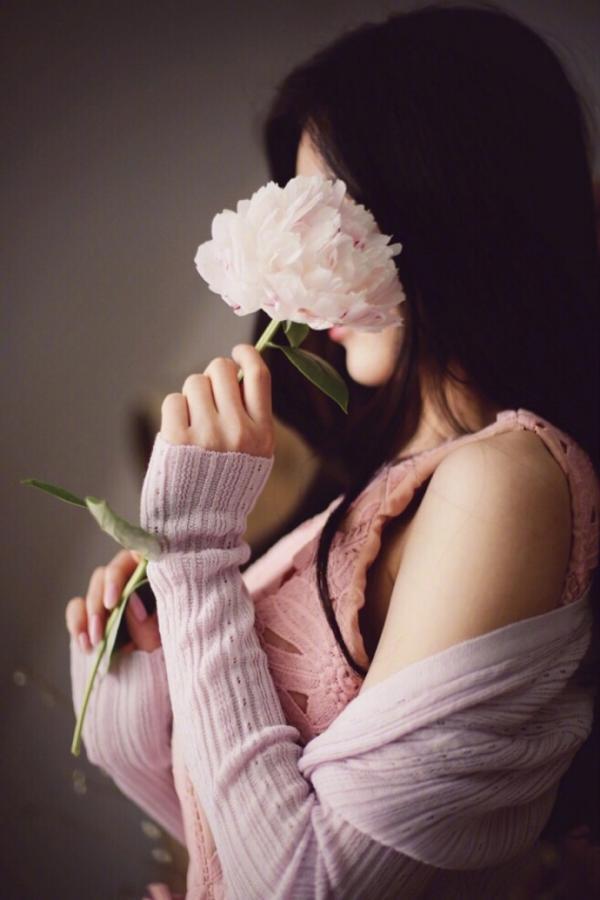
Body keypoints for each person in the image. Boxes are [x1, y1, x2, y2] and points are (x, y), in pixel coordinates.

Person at [66, 4, 600, 898]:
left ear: (445, 206)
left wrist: (196, 556)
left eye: (336, 215)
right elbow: (215, 834)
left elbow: (306, 885)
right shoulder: (377, 492)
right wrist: (140, 663)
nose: (307, 267)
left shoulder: (507, 480)